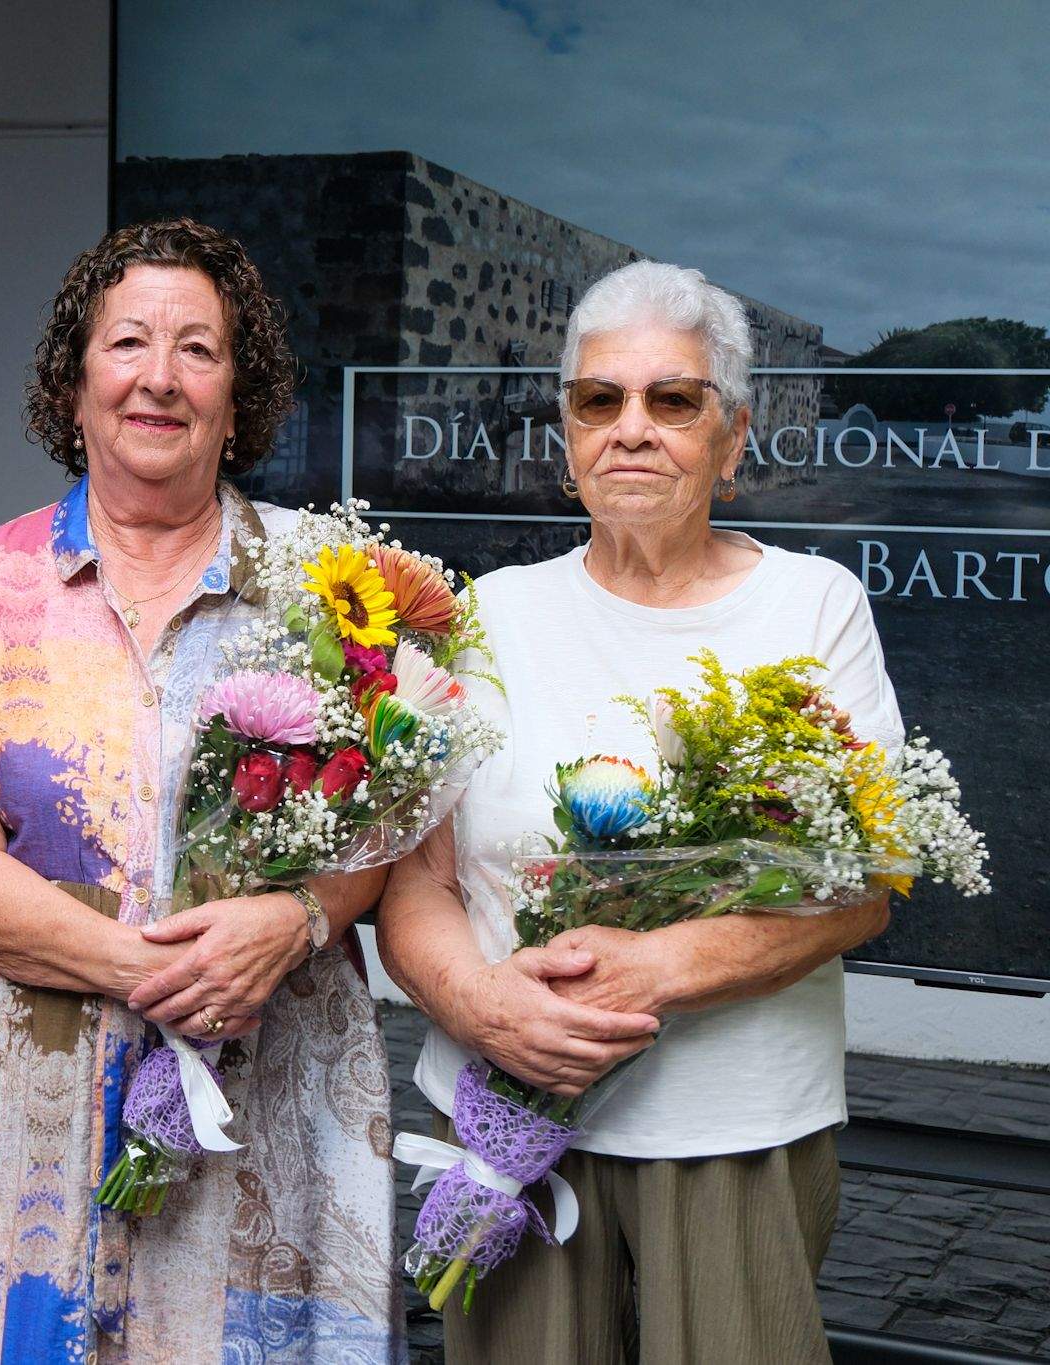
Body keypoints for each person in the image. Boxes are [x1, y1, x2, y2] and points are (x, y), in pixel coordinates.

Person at [0, 219, 404, 1363]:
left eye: (197, 351)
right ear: (74, 385)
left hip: (266, 1094)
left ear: (239, 391)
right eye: (125, 345)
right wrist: (156, 973)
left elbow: (386, 822)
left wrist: (296, 914)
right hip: (22, 1086)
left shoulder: (331, 585)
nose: (157, 378)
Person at [378, 259, 899, 1365]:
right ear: (565, 431)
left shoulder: (809, 607)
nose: (630, 429)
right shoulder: (486, 617)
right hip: (505, 1129)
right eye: (597, 400)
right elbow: (415, 882)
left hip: (732, 1133)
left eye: (673, 400)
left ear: (732, 436)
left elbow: (861, 892)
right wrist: (478, 1006)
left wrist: (646, 975)